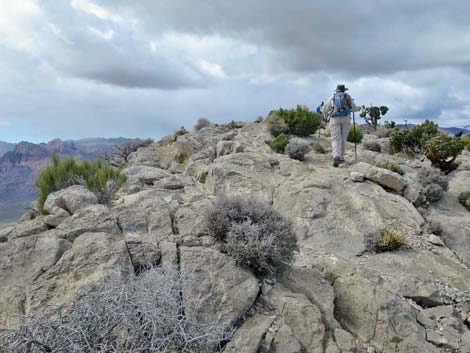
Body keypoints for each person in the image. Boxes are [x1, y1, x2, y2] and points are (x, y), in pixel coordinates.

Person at [324, 84, 360, 167]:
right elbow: (353, 108)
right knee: (343, 138)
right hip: (346, 118)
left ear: (336, 90)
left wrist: (322, 109)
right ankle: (341, 157)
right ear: (344, 90)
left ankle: (336, 156)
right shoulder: (348, 97)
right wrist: (359, 108)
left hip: (334, 119)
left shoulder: (332, 97)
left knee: (335, 139)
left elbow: (326, 109)